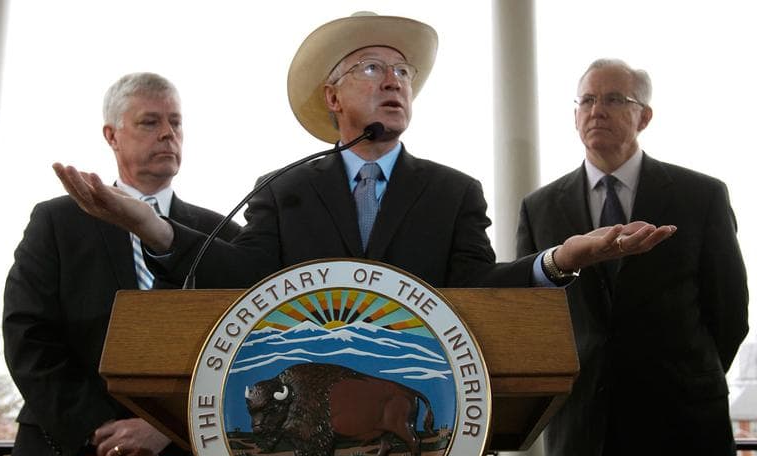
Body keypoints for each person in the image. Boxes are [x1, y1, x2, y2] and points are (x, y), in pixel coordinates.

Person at [54, 14, 675, 297]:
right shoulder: (284, 189)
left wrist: (562, 259)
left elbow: (478, 287)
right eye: (373, 68)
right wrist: (148, 224)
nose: (394, 81)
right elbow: (238, 274)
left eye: (402, 71)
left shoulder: (453, 192)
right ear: (332, 97)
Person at [516, 58, 749, 456]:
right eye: (587, 100)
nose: (596, 111)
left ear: (644, 116)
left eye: (613, 99)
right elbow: (532, 316)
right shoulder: (540, 208)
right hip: (583, 432)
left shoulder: (701, 196)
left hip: (685, 428)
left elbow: (729, 313)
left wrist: (687, 377)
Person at [3, 72, 241, 456]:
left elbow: (240, 350)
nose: (168, 133)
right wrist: (103, 431)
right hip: (65, 455)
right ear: (111, 135)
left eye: (176, 122)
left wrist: (163, 428)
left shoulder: (221, 235)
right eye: (150, 122)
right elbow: (27, 335)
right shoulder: (57, 222)